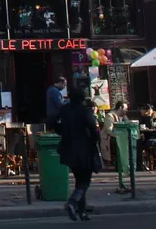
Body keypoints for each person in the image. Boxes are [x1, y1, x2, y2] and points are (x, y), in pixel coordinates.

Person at [56, 87, 101, 221]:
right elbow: (92, 127)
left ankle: (82, 212)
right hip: (84, 148)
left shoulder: (65, 109)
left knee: (79, 180)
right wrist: (95, 138)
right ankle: (72, 202)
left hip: (68, 148)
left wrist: (62, 132)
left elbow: (53, 121)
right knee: (85, 181)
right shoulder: (85, 110)